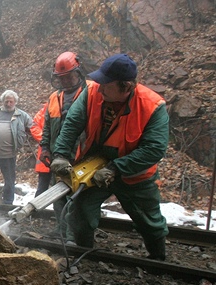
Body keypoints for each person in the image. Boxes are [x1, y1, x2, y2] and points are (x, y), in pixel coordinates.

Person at [50, 53, 169, 260]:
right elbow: (71, 126)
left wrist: (115, 168)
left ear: (126, 86)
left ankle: (158, 258)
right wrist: (61, 155)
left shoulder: (152, 106)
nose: (100, 86)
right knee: (80, 210)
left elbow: (154, 149)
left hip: (133, 171)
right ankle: (84, 253)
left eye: (106, 83)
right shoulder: (92, 92)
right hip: (93, 165)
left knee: (148, 219)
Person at [38, 52, 94, 237]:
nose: (66, 81)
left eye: (69, 77)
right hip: (58, 155)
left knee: (76, 196)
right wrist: (45, 148)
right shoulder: (54, 97)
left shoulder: (90, 93)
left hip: (81, 155)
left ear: (77, 73)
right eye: (62, 78)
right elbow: (47, 126)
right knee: (58, 193)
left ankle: (73, 235)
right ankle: (61, 231)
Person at [0, 90, 32, 204]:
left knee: (9, 180)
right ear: (2, 101)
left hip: (9, 155)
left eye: (11, 101)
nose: (8, 104)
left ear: (15, 102)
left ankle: (8, 202)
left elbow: (33, 127)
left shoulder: (21, 115)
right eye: (6, 101)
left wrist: (24, 139)